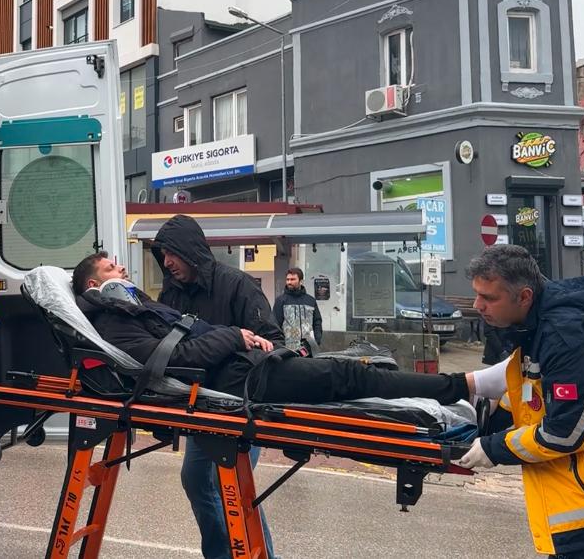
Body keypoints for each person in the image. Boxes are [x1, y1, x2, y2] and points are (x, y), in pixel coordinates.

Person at [455, 245, 584, 558]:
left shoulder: (567, 337)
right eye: (477, 295)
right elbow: (534, 394)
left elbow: (565, 432)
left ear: (524, 296)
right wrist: (491, 423)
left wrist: (494, 447)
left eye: (489, 298)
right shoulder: (538, 327)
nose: (478, 305)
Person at [70, 253, 473, 406]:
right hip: (239, 379)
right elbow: (174, 358)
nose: (122, 268)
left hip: (245, 364)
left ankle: (461, 392)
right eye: (111, 268)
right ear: (95, 285)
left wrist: (247, 335)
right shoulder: (114, 322)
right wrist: (235, 336)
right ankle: (463, 387)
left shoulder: (138, 307)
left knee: (360, 366)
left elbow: (193, 334)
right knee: (350, 375)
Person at [151, 214, 284, 559]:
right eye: (162, 255)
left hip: (238, 405)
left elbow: (272, 342)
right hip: (200, 406)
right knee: (198, 481)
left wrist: (236, 357)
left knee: (232, 488)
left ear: (190, 250)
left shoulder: (237, 285)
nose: (166, 262)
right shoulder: (172, 292)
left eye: (171, 254)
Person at [272, 267, 323, 356]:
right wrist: (279, 346)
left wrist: (316, 340)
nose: (289, 282)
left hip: (309, 349)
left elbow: (317, 321)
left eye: (292, 279)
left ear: (300, 281)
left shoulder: (311, 301)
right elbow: (275, 325)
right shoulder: (281, 301)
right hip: (288, 350)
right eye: (287, 279)